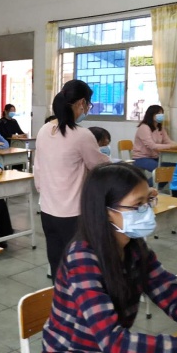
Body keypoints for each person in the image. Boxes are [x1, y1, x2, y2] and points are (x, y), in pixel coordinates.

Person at [40, 163, 177, 353]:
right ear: (106, 211)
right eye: (137, 205)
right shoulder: (82, 258)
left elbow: (171, 295)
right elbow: (113, 343)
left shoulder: (134, 247)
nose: (147, 210)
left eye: (148, 201)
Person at [34, 80, 110, 281]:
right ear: (81, 103)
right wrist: (110, 160)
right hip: (73, 214)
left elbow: (38, 168)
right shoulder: (81, 134)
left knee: (57, 264)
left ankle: (60, 298)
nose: (88, 108)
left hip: (48, 209)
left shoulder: (44, 130)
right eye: (89, 104)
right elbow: (98, 165)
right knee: (79, 267)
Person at [133, 105, 177, 174]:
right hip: (141, 158)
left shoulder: (160, 128)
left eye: (162, 113)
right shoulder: (144, 127)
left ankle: (154, 181)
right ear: (151, 115)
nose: (161, 115)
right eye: (158, 113)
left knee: (175, 167)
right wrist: (171, 146)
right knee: (162, 171)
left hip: (155, 157)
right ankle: (148, 181)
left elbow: (167, 141)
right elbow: (152, 146)